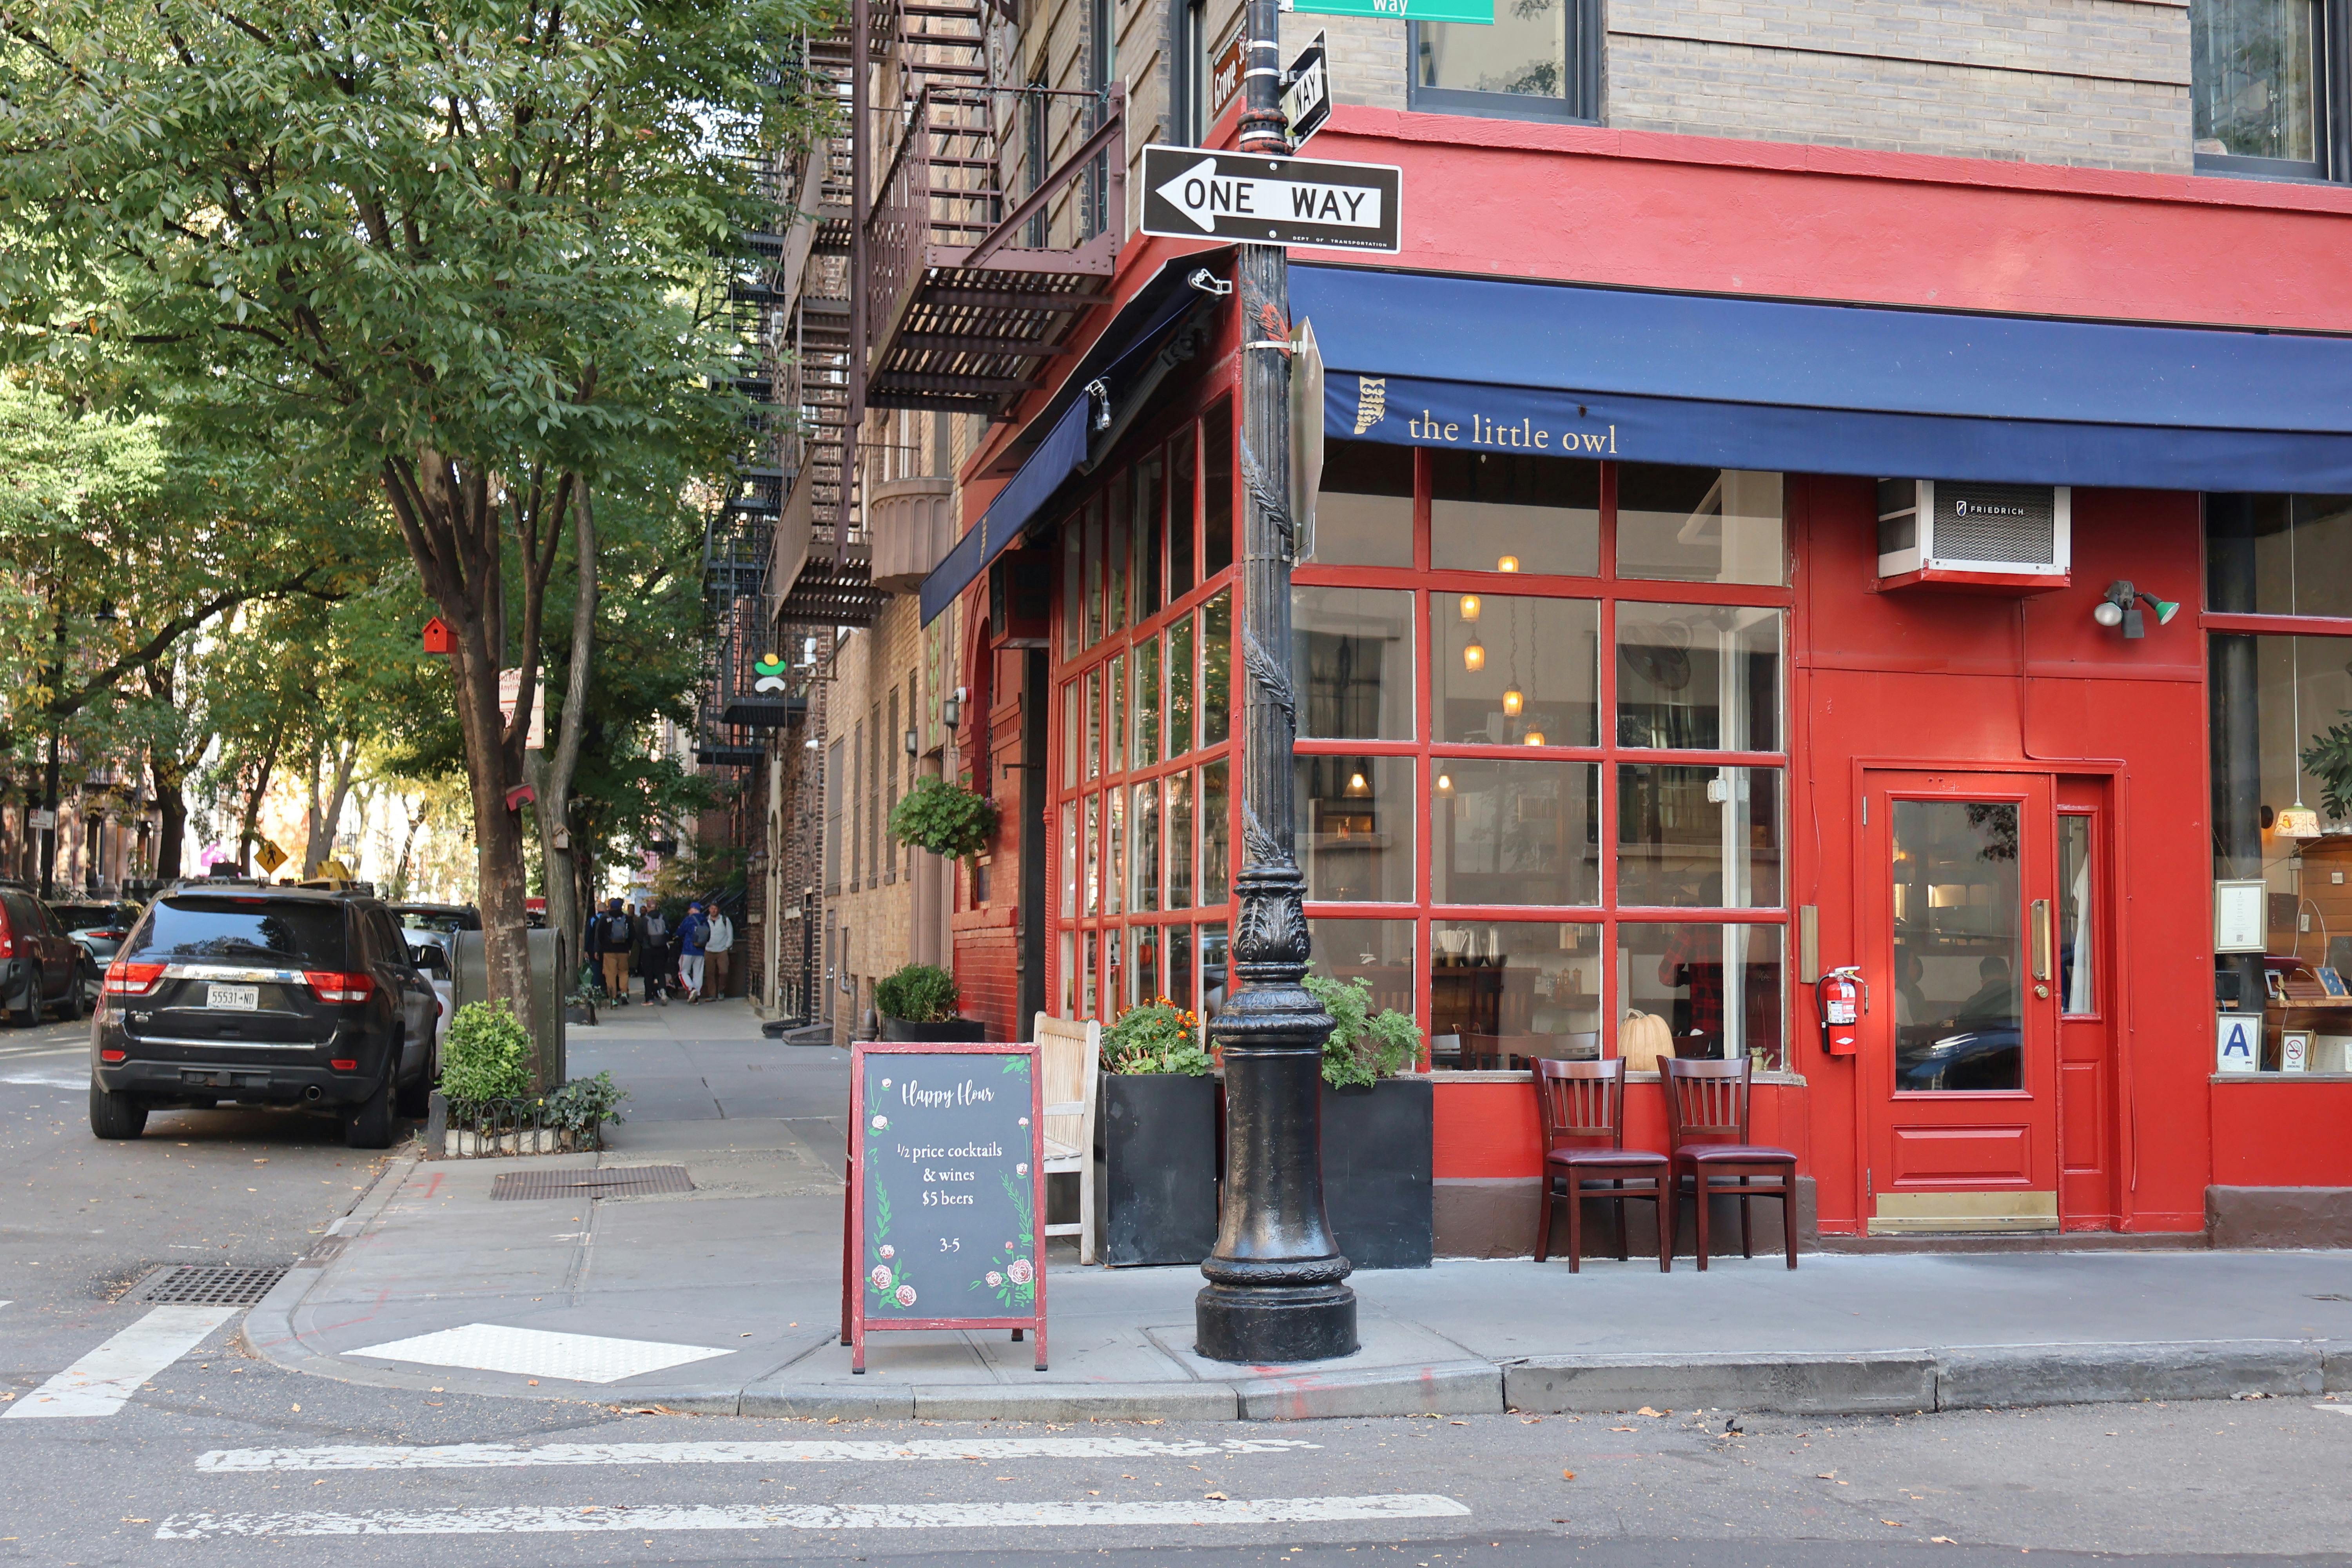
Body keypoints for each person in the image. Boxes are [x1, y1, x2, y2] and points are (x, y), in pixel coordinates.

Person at [592, 897, 637, 1002]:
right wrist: (629, 947)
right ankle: (624, 993)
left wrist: (599, 950)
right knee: (624, 972)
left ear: (611, 907)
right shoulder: (627, 919)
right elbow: (632, 935)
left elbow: (600, 936)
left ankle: (613, 997)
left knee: (611, 974)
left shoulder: (605, 919)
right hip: (624, 950)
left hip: (609, 951)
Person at [637, 900, 671, 1006]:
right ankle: (663, 992)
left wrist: (644, 943)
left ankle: (649, 998)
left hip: (648, 949)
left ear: (647, 908)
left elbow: (639, 935)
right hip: (662, 949)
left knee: (648, 974)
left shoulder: (644, 920)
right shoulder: (663, 918)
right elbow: (669, 930)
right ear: (657, 907)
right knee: (660, 972)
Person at [677, 900, 711, 1004]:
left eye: (690, 909)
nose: (689, 911)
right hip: (700, 951)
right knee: (698, 974)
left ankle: (691, 989)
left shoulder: (689, 920)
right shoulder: (705, 921)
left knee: (683, 972)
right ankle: (696, 996)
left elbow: (680, 932)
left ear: (694, 909)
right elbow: (708, 936)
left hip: (688, 949)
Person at [703, 898, 735, 998]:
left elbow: (730, 935)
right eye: (712, 908)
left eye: (715, 908)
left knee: (724, 972)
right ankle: (712, 994)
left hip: (722, 950)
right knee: (710, 974)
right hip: (709, 950)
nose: (714, 910)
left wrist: (727, 947)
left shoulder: (725, 920)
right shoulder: (705, 921)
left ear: (718, 910)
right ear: (709, 910)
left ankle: (721, 990)